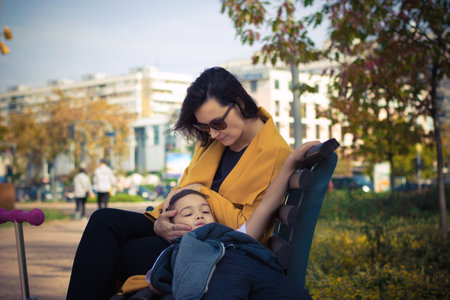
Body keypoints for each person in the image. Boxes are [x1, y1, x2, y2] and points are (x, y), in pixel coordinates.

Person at [67, 66, 315, 300]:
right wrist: (161, 223)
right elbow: (182, 188)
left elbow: (248, 229)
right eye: (206, 127)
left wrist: (199, 191)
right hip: (180, 223)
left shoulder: (273, 154)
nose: (213, 134)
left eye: (217, 123)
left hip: (211, 243)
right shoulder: (213, 138)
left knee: (119, 256)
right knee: (103, 221)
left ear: (239, 103)